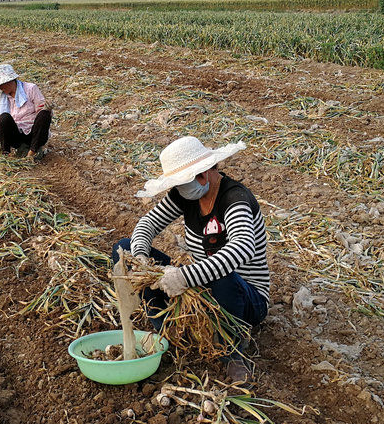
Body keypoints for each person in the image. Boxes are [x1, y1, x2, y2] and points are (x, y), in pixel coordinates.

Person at [112, 136, 270, 382]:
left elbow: (242, 247)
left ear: (204, 174)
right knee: (124, 249)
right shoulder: (187, 196)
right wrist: (141, 258)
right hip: (204, 287)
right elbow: (148, 223)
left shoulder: (234, 198)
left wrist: (185, 276)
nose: (181, 189)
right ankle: (166, 328)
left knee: (223, 274)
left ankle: (233, 351)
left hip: (246, 297)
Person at [0, 63, 51, 159]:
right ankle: (5, 153)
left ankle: (32, 153)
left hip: (34, 134)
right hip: (17, 137)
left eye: (1, 85)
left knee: (44, 114)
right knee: (4, 117)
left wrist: (47, 109)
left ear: (10, 81)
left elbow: (41, 111)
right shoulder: (1, 100)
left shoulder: (31, 89)